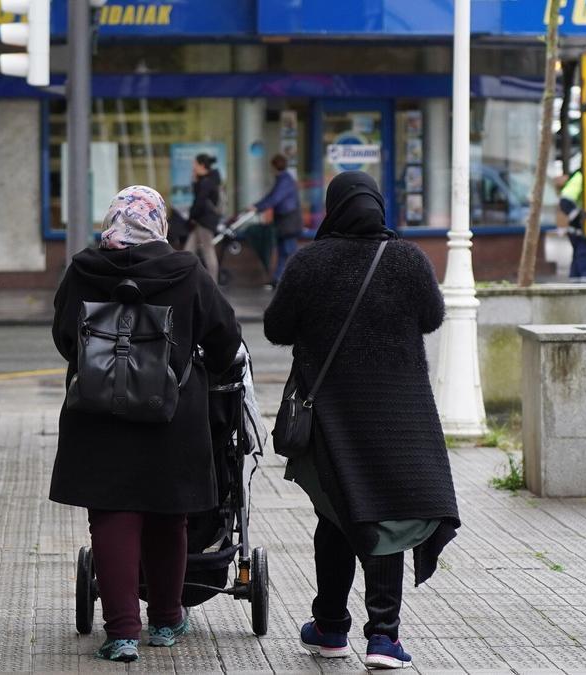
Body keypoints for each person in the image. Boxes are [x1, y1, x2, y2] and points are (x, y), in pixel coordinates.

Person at [263, 171, 460, 670]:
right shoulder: (408, 259)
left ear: (333, 208)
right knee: (385, 517)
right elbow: (433, 316)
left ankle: (330, 626)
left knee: (335, 512)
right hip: (399, 415)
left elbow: (276, 327)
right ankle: (384, 638)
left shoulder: (309, 262)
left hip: (332, 413)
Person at [50, 185, 242, 663]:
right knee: (168, 513)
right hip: (171, 415)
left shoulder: (82, 269)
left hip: (98, 414)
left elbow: (63, 336)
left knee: (112, 514)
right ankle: (166, 619)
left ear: (112, 219)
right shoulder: (187, 272)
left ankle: (120, 634)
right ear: (157, 223)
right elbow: (225, 338)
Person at [246, 154, 303, 288]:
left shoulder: (284, 180)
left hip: (288, 221)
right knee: (284, 251)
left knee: (289, 251)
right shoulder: (283, 179)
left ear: (274, 166)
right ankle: (278, 279)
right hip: (285, 222)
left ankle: (294, 280)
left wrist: (257, 207)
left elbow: (274, 198)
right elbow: (271, 196)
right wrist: (257, 206)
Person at [185, 153, 222, 283]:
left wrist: (191, 216)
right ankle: (186, 279)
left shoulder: (207, 181)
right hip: (202, 220)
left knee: (207, 250)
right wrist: (195, 181)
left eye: (195, 164)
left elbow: (199, 201)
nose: (193, 167)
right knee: (189, 250)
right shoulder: (208, 179)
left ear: (201, 165)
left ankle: (213, 282)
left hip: (205, 221)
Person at [556, 169, 586, 281]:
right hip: (579, 229)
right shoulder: (580, 177)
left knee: (578, 256)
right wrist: (578, 218)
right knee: (584, 255)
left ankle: (575, 281)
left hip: (575, 229)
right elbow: (565, 202)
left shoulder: (579, 176)